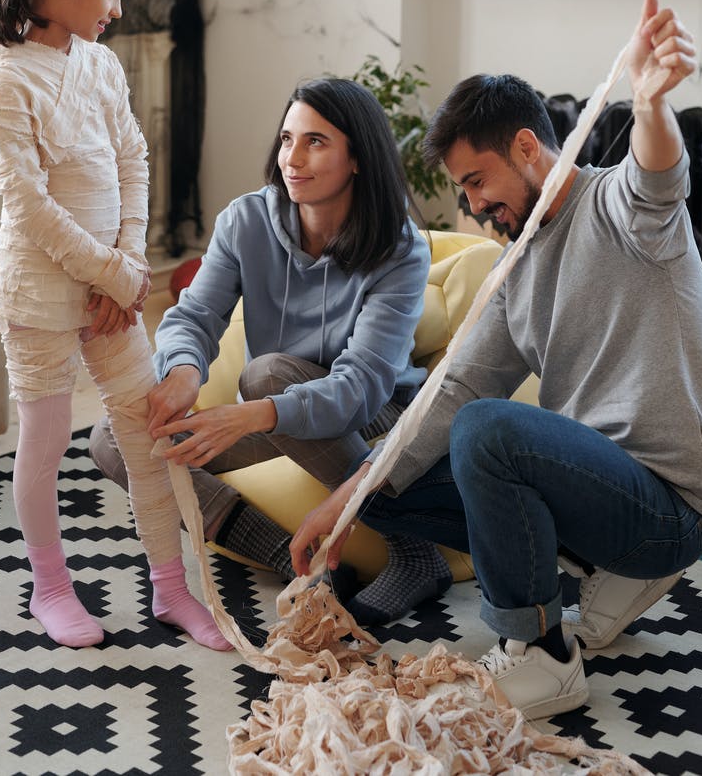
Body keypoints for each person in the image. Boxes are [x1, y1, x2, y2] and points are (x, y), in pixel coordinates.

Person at [289, 0, 702, 721]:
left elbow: (657, 177)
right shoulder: (515, 268)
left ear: (528, 148)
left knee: (487, 432)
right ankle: (591, 571)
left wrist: (649, 106)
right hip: (598, 493)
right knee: (402, 476)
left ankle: (541, 657)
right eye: (462, 192)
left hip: (670, 508)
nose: (472, 207)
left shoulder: (619, 210)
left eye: (476, 182)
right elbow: (447, 393)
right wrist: (345, 501)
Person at [89, 76, 451, 622]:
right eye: (287, 139)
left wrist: (253, 414)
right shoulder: (246, 220)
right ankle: (292, 560)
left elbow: (360, 388)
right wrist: (184, 370)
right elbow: (194, 315)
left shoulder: (398, 251)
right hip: (279, 414)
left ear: (358, 158)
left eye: (315, 142)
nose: (292, 158)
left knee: (265, 375)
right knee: (114, 437)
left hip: (376, 419)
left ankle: (416, 552)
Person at [0, 0, 229, 652]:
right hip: (38, 291)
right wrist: (111, 273)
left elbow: (132, 162)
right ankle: (50, 587)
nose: (118, 8)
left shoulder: (103, 64)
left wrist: (128, 266)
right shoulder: (6, 81)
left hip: (111, 289)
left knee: (146, 434)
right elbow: (28, 205)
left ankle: (171, 588)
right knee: (45, 439)